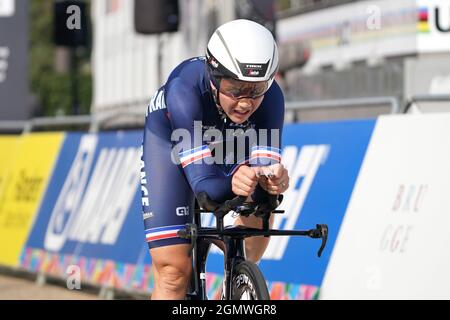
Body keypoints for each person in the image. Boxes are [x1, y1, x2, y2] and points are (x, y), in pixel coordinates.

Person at [140, 19, 290, 300]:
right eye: (235, 89)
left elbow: (263, 181)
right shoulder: (184, 90)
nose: (246, 102)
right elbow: (206, 189)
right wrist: (234, 181)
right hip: (170, 143)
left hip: (227, 141)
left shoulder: (271, 99)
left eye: (256, 89)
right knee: (173, 273)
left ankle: (228, 295)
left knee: (256, 231)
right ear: (213, 75)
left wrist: (273, 182)